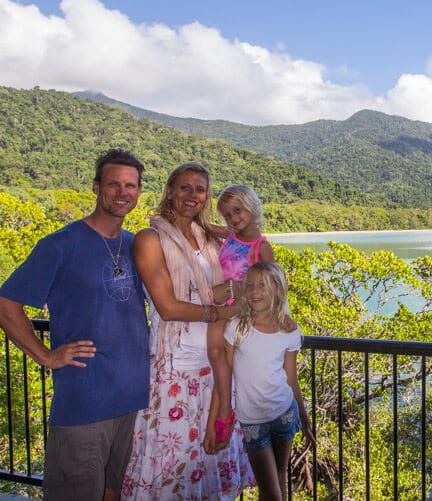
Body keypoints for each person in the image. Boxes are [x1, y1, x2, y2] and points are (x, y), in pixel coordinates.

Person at [0, 149, 149, 501]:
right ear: (97, 187)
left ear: (139, 192)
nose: (122, 192)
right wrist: (46, 356)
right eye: (113, 183)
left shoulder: (136, 246)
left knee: (114, 491)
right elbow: (7, 305)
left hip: (133, 397)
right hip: (84, 400)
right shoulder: (60, 245)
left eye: (130, 185)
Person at [121, 162, 254, 500]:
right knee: (172, 458)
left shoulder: (206, 237)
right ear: (170, 191)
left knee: (211, 452)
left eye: (199, 189)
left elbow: (247, 239)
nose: (192, 194)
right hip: (175, 366)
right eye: (185, 187)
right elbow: (168, 307)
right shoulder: (150, 239)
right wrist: (220, 310)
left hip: (215, 360)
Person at [224, 262, 314, 501]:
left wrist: (304, 421)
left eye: (262, 286)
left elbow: (291, 380)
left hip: (284, 413)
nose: (254, 291)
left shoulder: (289, 331)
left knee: (280, 478)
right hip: (252, 421)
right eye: (250, 285)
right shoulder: (236, 328)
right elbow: (229, 368)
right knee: (271, 491)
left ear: (277, 289)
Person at [208, 184, 280, 450]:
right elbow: (201, 227)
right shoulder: (230, 236)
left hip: (240, 309)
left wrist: (281, 319)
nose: (234, 218)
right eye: (227, 214)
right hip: (224, 305)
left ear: (251, 206)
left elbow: (273, 287)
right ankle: (224, 414)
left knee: (221, 356)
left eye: (237, 211)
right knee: (218, 357)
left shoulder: (262, 248)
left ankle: (226, 412)